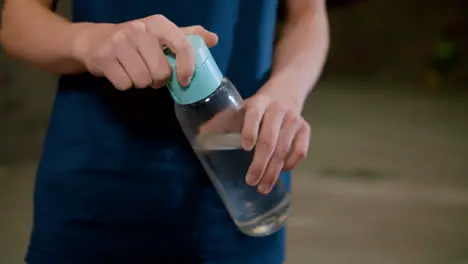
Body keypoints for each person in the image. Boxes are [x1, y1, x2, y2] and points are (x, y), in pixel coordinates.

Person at [0, 0, 329, 263]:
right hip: (97, 179)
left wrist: (288, 90)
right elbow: (18, 17)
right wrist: (90, 40)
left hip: (245, 175)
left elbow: (308, 13)